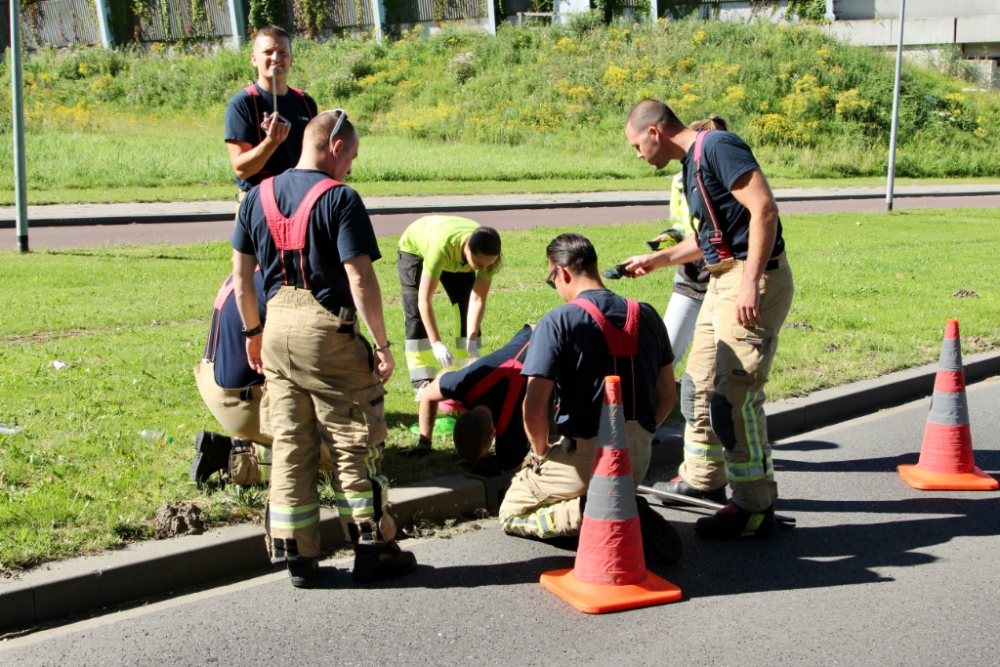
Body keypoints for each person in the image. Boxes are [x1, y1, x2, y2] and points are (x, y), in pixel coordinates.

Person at [231, 109, 415, 588]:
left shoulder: (257, 195)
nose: (351, 167)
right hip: (326, 334)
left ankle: (298, 558)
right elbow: (360, 277)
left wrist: (253, 333)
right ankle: (373, 547)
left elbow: (240, 277)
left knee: (290, 444)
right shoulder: (341, 199)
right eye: (351, 156)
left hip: (275, 332)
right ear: (335, 147)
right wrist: (381, 343)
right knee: (355, 438)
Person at [622, 99, 794, 539]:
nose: (638, 155)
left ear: (655, 133)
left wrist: (749, 282)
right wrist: (658, 259)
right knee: (697, 385)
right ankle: (703, 478)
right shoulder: (691, 164)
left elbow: (764, 209)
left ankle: (754, 505)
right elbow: (710, 236)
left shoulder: (717, 146)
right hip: (720, 279)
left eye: (637, 146)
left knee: (732, 396)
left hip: (747, 278)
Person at [498, 234, 681, 564]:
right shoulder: (649, 314)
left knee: (512, 511)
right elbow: (668, 394)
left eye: (551, 278)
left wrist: (539, 455)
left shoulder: (559, 321)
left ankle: (596, 512)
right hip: (636, 459)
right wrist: (643, 435)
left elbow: (535, 410)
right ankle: (616, 502)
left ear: (562, 272)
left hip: (588, 459)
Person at [190, 270, 333, 487]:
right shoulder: (290, 283)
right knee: (348, 452)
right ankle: (233, 458)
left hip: (213, 378)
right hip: (243, 401)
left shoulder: (256, 265)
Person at [405, 325, 534, 474]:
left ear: (493, 433)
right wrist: (424, 443)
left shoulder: (511, 427)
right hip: (529, 332)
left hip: (557, 343)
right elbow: (428, 394)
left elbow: (512, 476)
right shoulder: (464, 384)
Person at [397, 216, 502, 393]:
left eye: (488, 265)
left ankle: (466, 370)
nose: (483, 270)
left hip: (455, 253)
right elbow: (425, 300)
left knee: (465, 303)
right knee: (414, 307)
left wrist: (472, 339)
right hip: (416, 247)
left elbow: (477, 299)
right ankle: (422, 381)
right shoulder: (441, 248)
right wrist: (436, 342)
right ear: (467, 248)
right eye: (478, 264)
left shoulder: (488, 257)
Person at [661, 115, 729, 366]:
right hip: (690, 277)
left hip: (721, 279)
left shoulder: (722, 176)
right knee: (666, 357)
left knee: (714, 365)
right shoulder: (681, 180)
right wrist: (670, 237)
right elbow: (685, 225)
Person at [225, 25, 317, 203]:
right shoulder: (243, 104)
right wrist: (271, 142)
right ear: (254, 59)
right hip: (259, 203)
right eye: (268, 52)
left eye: (283, 52)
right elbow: (242, 169)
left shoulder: (305, 102)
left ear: (291, 59)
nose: (276, 58)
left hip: (300, 200)